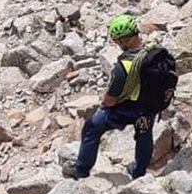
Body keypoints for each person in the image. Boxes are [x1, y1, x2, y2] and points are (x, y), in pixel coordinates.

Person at [64, 15, 155, 180]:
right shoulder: (154, 54)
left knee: (91, 128)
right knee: (144, 135)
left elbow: (110, 100)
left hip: (127, 110)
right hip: (149, 107)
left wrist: (103, 104)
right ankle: (139, 171)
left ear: (124, 41)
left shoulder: (123, 68)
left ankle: (81, 169)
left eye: (117, 41)